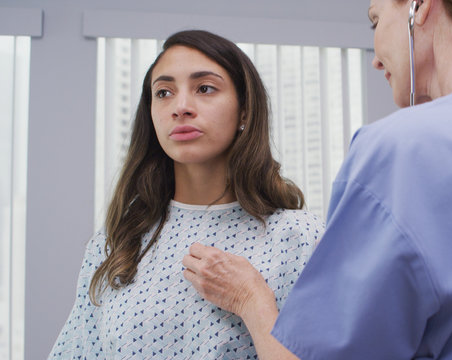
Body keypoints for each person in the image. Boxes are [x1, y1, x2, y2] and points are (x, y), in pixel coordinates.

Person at [184, 0, 452, 359]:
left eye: (376, 20)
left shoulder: (403, 149)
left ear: (420, 7)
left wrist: (252, 301)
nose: (375, 58)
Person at [48, 30, 324, 359]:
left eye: (204, 88)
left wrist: (252, 301)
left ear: (245, 111)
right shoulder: (115, 245)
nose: (180, 107)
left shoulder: (299, 238)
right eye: (163, 92)